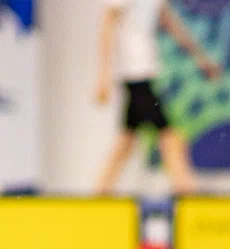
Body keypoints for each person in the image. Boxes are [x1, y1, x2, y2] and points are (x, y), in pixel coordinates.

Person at [94, 0, 222, 196]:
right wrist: (103, 76)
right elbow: (107, 29)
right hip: (136, 76)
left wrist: (202, 60)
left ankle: (99, 193)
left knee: (126, 141)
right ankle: (188, 193)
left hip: (146, 75)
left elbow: (174, 27)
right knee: (169, 136)